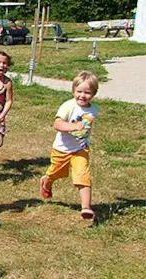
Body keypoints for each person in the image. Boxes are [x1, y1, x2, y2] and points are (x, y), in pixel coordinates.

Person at [40, 71, 100, 220]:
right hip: (62, 149)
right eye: (79, 91)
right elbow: (57, 124)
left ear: (94, 93)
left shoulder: (94, 109)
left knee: (83, 175)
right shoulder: (68, 106)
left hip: (80, 149)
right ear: (73, 90)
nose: (82, 95)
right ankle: (47, 181)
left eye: (87, 92)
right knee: (57, 172)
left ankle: (86, 207)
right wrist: (73, 127)